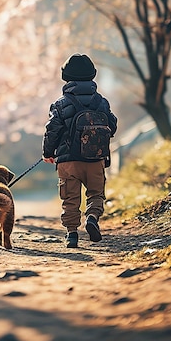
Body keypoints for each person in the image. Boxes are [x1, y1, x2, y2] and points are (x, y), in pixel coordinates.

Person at [42, 53, 117, 248]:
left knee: (70, 198)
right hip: (96, 159)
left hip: (68, 161)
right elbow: (113, 126)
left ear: (65, 76)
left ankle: (72, 234)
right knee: (96, 194)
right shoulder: (101, 102)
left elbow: (52, 130)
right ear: (92, 75)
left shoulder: (60, 104)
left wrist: (48, 152)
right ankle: (92, 217)